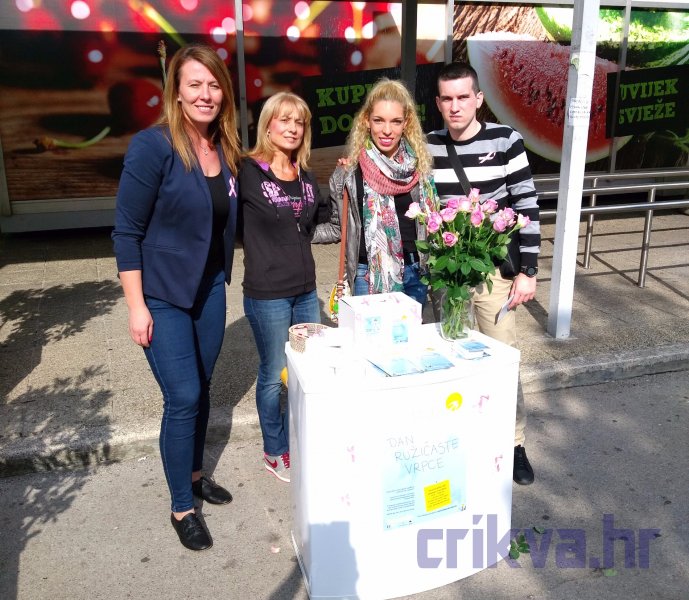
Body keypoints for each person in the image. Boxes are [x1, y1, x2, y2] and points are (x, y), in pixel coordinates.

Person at [112, 44, 241, 550]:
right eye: (195, 84)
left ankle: (194, 476)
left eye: (213, 85)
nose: (206, 94)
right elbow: (126, 232)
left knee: (202, 387)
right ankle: (181, 507)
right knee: (183, 395)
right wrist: (136, 306)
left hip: (208, 288)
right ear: (178, 92)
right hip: (163, 294)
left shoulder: (224, 147)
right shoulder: (154, 147)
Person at [427, 62, 541, 486]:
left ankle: (513, 444)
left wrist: (528, 271)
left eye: (463, 97)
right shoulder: (427, 145)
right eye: (447, 99)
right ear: (438, 103)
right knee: (450, 358)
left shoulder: (506, 140)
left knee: (503, 358)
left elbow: (527, 206)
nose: (455, 106)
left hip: (493, 274)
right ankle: (459, 436)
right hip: (447, 276)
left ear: (478, 98)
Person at [239, 92, 330, 484]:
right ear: (268, 124)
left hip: (305, 290)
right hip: (268, 292)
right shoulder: (247, 171)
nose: (293, 128)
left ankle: (300, 440)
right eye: (284, 120)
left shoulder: (304, 174)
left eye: (300, 122)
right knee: (274, 372)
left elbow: (318, 221)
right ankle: (275, 450)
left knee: (305, 370)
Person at [313, 78, 438, 307]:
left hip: (415, 271)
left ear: (406, 123)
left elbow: (434, 223)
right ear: (366, 121)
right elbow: (337, 227)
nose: (387, 130)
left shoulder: (420, 168)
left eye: (396, 121)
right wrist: (296, 232)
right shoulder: (348, 173)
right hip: (367, 274)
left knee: (411, 332)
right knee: (372, 332)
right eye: (379, 120)